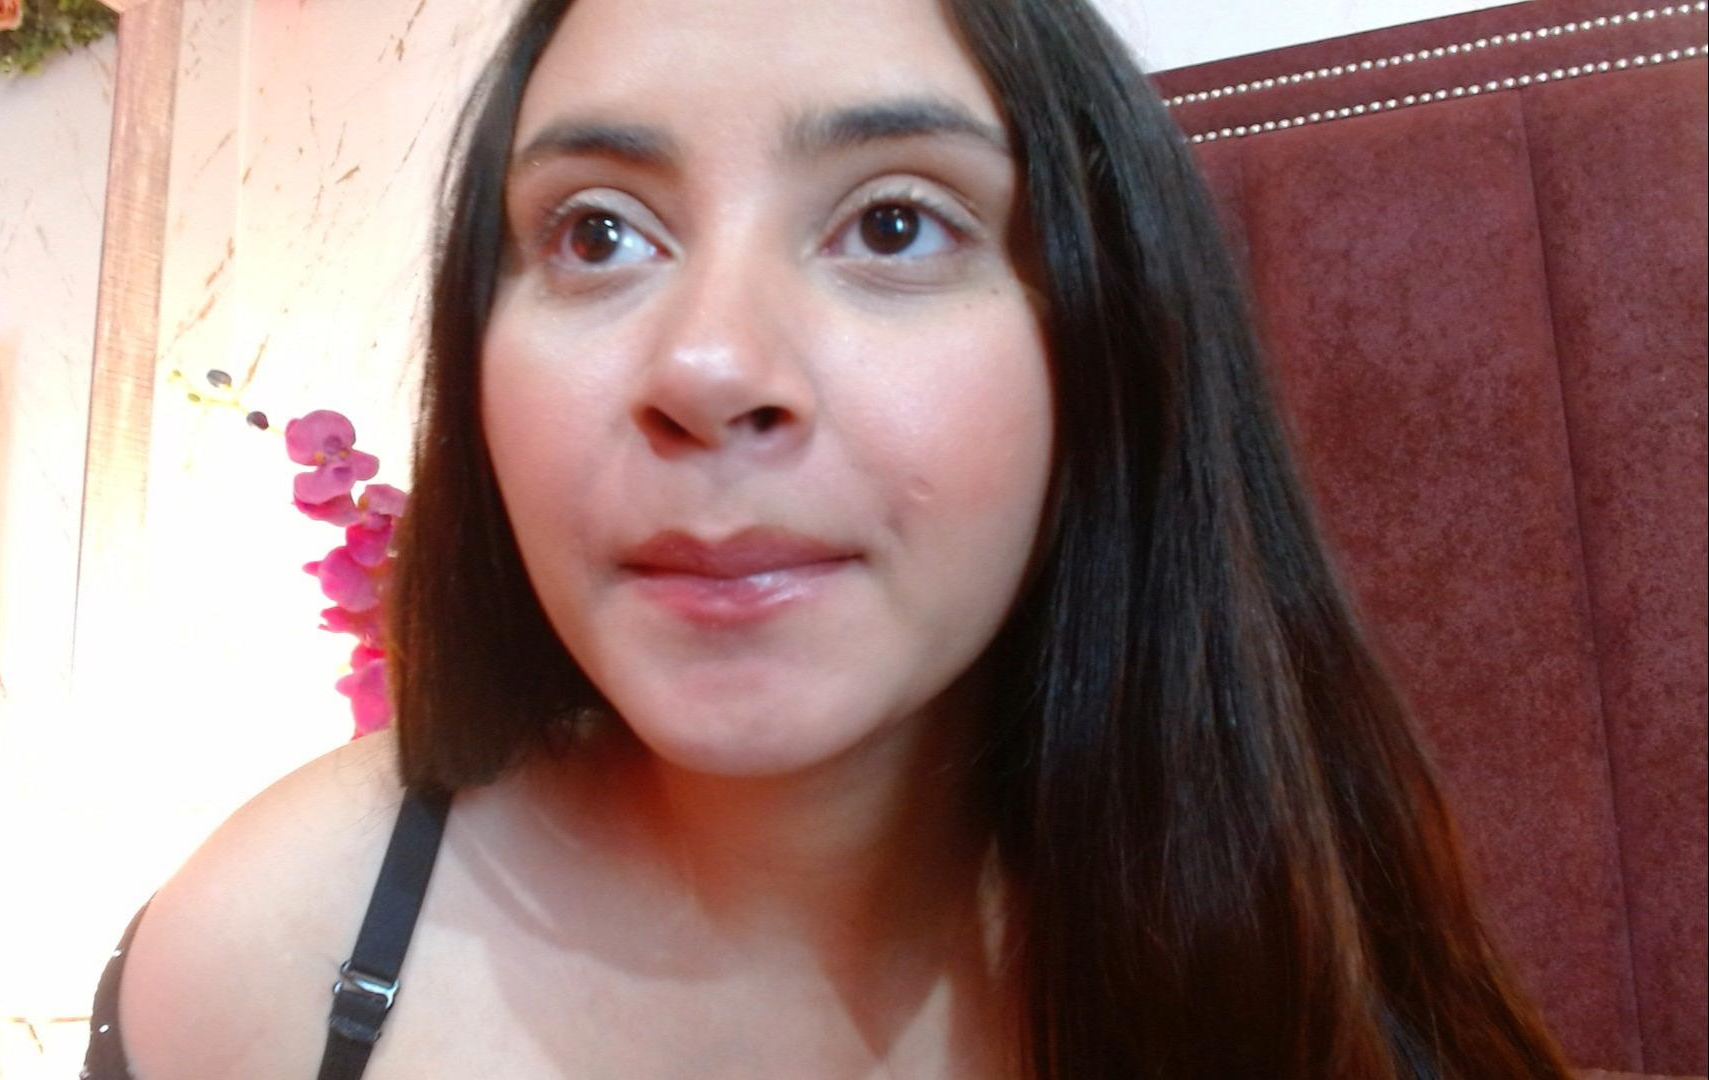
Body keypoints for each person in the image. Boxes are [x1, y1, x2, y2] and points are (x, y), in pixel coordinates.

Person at [86, 0, 1578, 1077]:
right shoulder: (267, 956)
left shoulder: (1313, 951)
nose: (708, 366)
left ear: (1105, 338)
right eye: (597, 232)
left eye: (893, 224)